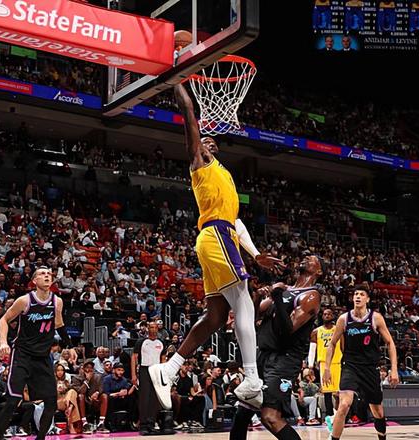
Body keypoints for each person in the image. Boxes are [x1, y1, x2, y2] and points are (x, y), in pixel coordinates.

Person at [149, 83, 284, 410]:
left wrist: (256, 254)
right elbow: (189, 116)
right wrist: (178, 82)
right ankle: (252, 379)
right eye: (203, 140)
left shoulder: (225, 179)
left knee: (215, 317)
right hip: (215, 236)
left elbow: (236, 223)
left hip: (222, 236)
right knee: (244, 301)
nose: (207, 142)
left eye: (212, 141)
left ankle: (168, 370)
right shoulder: (200, 165)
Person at [229, 254, 324, 440]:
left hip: (284, 360)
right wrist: (257, 297)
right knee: (243, 411)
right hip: (263, 355)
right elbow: (253, 316)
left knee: (270, 417)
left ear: (319, 271)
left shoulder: (311, 296)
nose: (305, 257)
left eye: (312, 258)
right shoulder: (285, 288)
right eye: (305, 256)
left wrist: (277, 298)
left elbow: (286, 330)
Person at [0, 267, 71, 440]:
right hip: (22, 355)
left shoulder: (57, 302)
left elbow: (59, 325)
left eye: (49, 274)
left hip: (43, 357)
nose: (46, 275)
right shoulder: (24, 301)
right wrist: (3, 342)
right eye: (42, 273)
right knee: (13, 401)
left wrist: (70, 346)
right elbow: (4, 319)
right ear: (34, 281)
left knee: (51, 403)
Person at [323, 285, 399, 440]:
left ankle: (382, 436)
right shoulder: (344, 319)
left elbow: (390, 343)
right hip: (350, 367)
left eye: (362, 294)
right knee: (344, 405)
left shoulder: (375, 318)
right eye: (356, 294)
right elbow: (332, 344)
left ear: (367, 299)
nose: (358, 296)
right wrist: (327, 368)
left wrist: (394, 369)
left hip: (370, 368)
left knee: (377, 411)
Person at [133, 322, 168, 436]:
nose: (153, 329)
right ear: (148, 329)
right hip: (144, 370)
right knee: (144, 398)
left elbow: (163, 359)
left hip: (157, 370)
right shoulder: (141, 342)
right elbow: (134, 358)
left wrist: (163, 374)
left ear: (158, 329)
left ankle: (151, 423)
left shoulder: (161, 342)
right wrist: (134, 375)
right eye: (151, 327)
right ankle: (143, 425)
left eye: (155, 327)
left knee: (154, 398)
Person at [309, 308, 342, 419]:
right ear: (322, 316)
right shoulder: (316, 331)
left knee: (339, 392)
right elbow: (312, 349)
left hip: (337, 362)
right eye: (325, 314)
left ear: (333, 316)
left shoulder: (338, 330)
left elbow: (343, 347)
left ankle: (340, 415)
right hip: (324, 364)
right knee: (327, 392)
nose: (327, 316)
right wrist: (310, 366)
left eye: (329, 314)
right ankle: (329, 415)